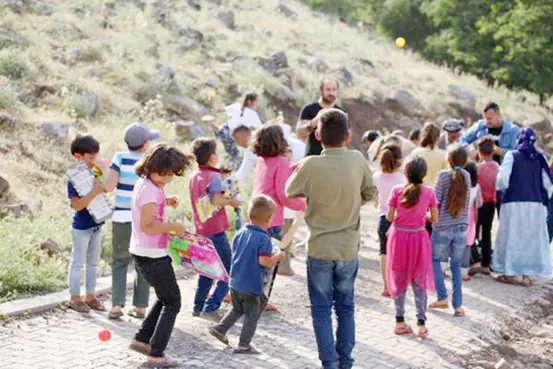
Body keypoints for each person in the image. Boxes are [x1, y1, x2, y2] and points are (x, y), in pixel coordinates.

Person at [286, 109, 374, 369]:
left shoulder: (311, 164)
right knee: (345, 308)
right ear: (348, 136)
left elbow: (289, 190)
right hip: (348, 249)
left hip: (320, 249)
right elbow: (370, 192)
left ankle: (329, 364)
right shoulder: (358, 160)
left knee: (321, 310)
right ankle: (346, 362)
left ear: (316, 135)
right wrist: (351, 203)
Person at [128, 143, 191, 368]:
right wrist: (173, 226)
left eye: (170, 175)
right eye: (162, 174)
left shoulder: (149, 185)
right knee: (173, 301)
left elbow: (152, 209)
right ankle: (156, 354)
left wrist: (167, 201)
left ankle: (142, 339)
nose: (165, 179)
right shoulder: (149, 189)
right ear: (150, 165)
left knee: (165, 298)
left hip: (146, 251)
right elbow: (147, 224)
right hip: (152, 254)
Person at [208, 195, 286, 354]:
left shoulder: (240, 232)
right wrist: (278, 258)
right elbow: (264, 261)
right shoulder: (263, 238)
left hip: (235, 281)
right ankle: (244, 345)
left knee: (237, 308)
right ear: (269, 219)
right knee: (252, 313)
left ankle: (220, 329)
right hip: (251, 284)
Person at [102, 122, 160, 320]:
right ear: (144, 144)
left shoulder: (119, 158)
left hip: (121, 217)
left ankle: (117, 305)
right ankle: (140, 306)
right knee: (141, 261)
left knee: (119, 261)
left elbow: (109, 186)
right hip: (142, 219)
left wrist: (103, 170)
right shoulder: (149, 162)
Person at [493, 127, 552, 287]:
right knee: (531, 239)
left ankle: (511, 273)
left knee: (513, 236)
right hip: (536, 205)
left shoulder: (512, 155)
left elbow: (503, 179)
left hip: (514, 202)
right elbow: (548, 183)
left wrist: (502, 191)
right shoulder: (540, 157)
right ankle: (528, 275)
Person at [386, 156, 438, 339]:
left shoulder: (397, 190)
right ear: (424, 173)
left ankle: (399, 321)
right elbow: (435, 218)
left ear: (405, 172)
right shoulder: (429, 192)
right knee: (419, 280)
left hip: (399, 238)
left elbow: (389, 217)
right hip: (419, 238)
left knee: (398, 277)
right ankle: (421, 325)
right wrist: (421, 217)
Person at [190, 138, 241, 321]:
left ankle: (198, 306)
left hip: (201, 230)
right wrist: (233, 202)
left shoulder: (195, 176)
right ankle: (211, 307)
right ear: (212, 157)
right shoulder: (213, 176)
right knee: (229, 270)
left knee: (206, 270)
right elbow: (217, 200)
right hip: (215, 230)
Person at [251, 123, 306, 277]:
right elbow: (283, 195)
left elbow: (273, 178)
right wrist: (302, 205)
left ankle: (256, 297)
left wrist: (294, 166)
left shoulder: (262, 160)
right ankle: (262, 300)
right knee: (270, 263)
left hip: (256, 216)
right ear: (279, 141)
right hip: (271, 219)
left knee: (256, 262)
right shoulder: (281, 161)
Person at [67, 134, 108, 313]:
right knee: (77, 263)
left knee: (93, 263)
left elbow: (107, 187)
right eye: (91, 157)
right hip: (81, 227)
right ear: (78, 156)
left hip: (97, 224)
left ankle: (90, 296)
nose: (94, 160)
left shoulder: (95, 172)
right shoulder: (74, 177)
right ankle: (75, 298)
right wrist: (94, 192)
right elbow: (76, 206)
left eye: (95, 156)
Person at [429, 144, 470, 317]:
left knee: (435, 260)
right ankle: (458, 306)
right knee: (456, 265)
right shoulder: (467, 176)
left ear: (448, 159)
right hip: (461, 227)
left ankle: (442, 298)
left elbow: (435, 199)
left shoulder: (443, 176)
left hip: (443, 227)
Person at [372, 144, 405, 297]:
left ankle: (386, 287)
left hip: (383, 219)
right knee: (397, 254)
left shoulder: (376, 176)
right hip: (399, 219)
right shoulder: (402, 178)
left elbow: (375, 196)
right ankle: (397, 285)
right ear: (398, 159)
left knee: (383, 253)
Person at [470, 137, 500, 276]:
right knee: (487, 232)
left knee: (474, 231)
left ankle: (475, 260)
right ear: (493, 151)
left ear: (479, 152)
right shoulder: (497, 167)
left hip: (478, 205)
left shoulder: (477, 168)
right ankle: (486, 263)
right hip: (491, 204)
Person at [296, 77, 345, 157]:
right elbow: (300, 133)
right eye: (328, 89)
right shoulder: (308, 109)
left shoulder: (341, 112)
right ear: (321, 90)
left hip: (335, 159)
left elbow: (345, 139)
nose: (331, 93)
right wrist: (315, 121)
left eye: (334, 89)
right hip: (313, 158)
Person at [461, 162, 483, 282]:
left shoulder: (459, 185)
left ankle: (444, 268)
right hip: (470, 217)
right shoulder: (477, 187)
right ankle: (463, 272)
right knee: (467, 244)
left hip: (458, 215)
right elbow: (479, 204)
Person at [410, 122, 448, 187]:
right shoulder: (444, 155)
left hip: (418, 192)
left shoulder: (415, 153)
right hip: (436, 193)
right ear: (438, 138)